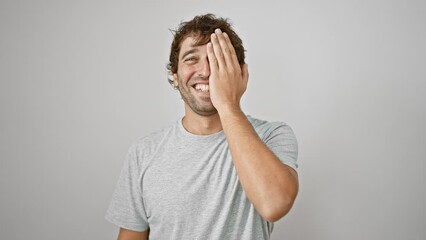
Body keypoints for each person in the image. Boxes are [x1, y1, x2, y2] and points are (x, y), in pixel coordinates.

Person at [105, 13, 299, 240]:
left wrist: (228, 104)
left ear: (240, 73)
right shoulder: (143, 153)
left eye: (218, 60)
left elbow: (274, 204)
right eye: (191, 59)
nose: (206, 72)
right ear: (174, 75)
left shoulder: (272, 135)